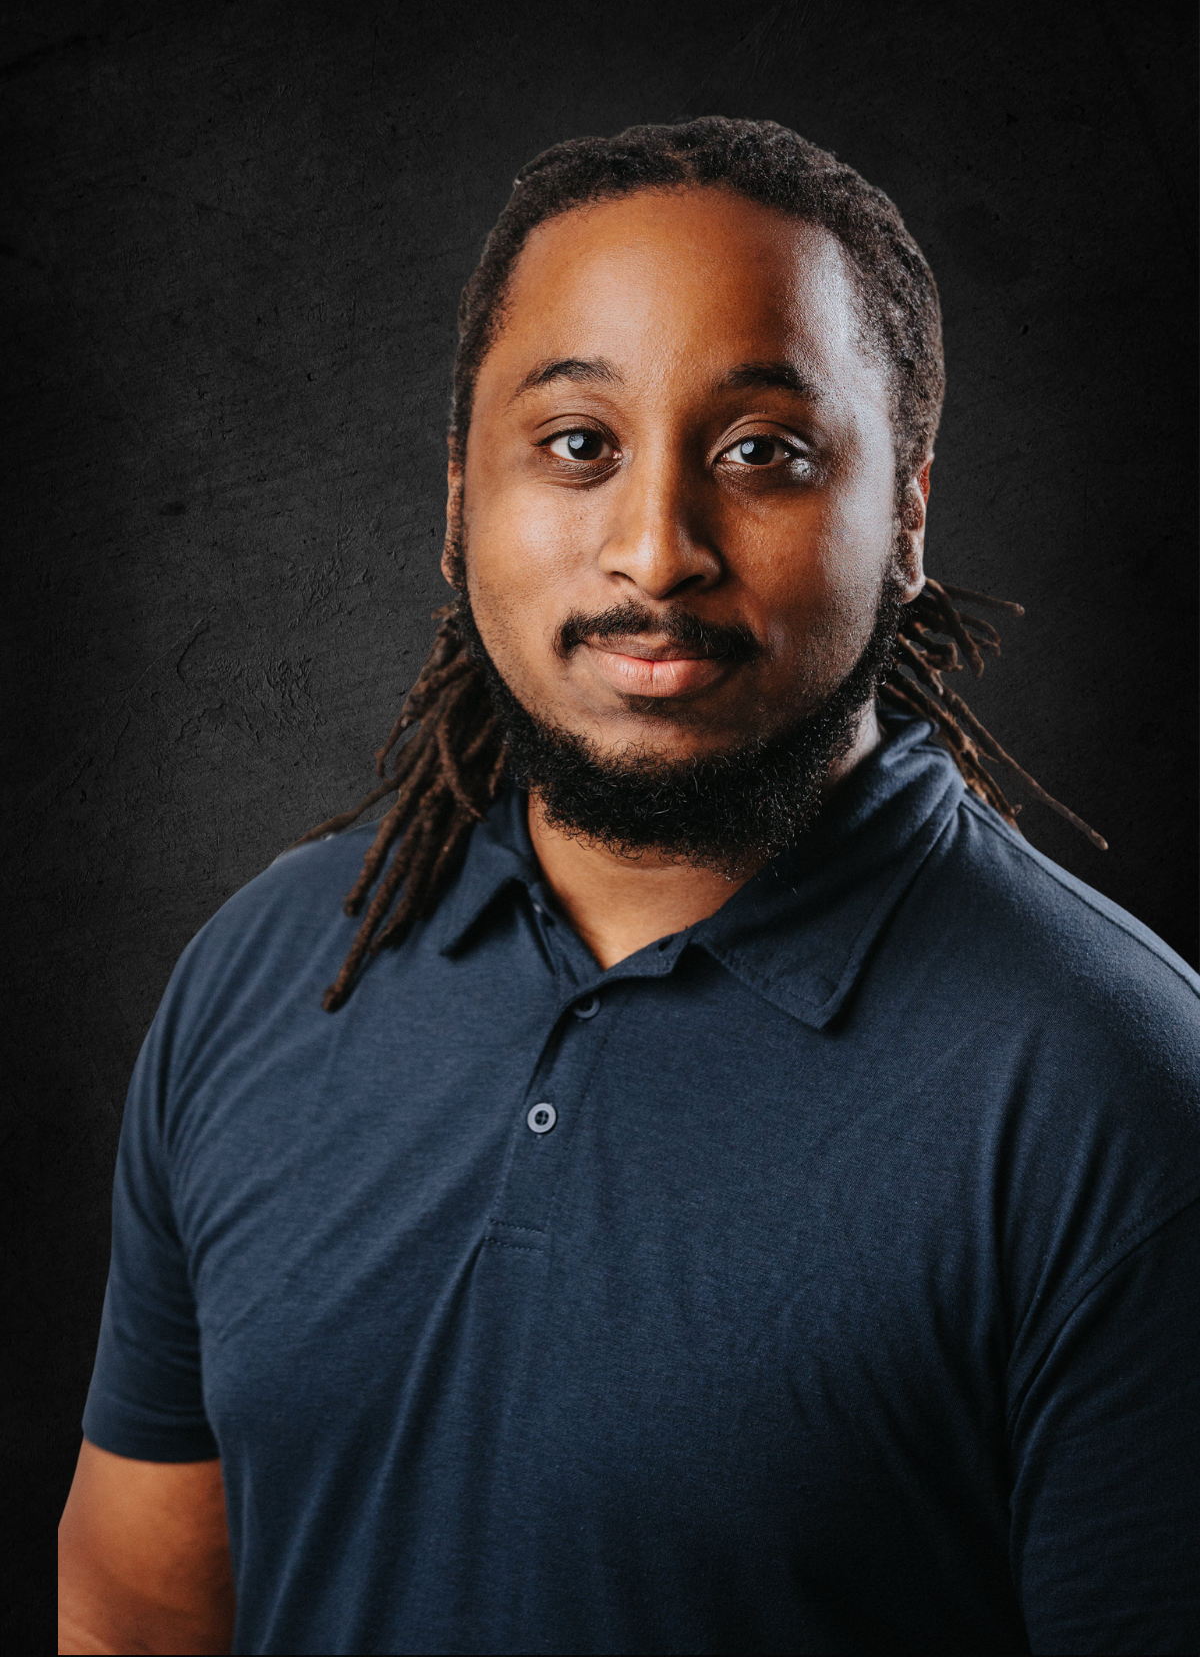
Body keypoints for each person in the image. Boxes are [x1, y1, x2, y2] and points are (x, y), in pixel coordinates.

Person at [58, 119, 1199, 1657]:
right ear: (458, 501)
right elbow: (135, 1608)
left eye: (763, 453)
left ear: (908, 516)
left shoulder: (1117, 1092)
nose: (656, 554)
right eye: (578, 445)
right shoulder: (262, 971)